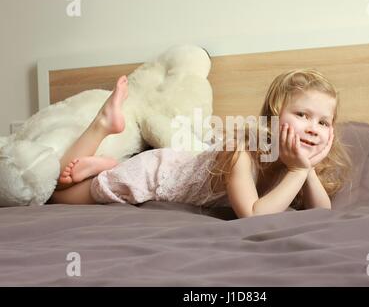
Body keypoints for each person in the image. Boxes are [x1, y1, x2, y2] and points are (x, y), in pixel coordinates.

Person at [49, 69, 352, 219]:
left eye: (323, 122)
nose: (314, 128)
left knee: (64, 191)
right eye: (302, 115)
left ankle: (108, 166)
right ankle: (103, 123)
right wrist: (298, 172)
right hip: (155, 173)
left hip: (183, 164)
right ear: (274, 116)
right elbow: (253, 216)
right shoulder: (241, 153)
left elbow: (320, 213)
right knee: (56, 196)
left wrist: (306, 167)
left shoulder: (298, 163)